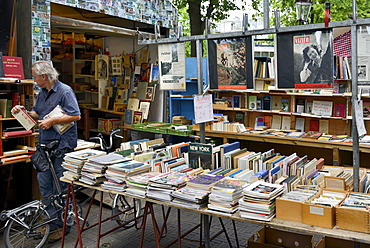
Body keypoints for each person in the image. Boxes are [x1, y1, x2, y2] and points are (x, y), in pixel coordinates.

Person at [11, 61, 81, 242]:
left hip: (61, 146)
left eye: (35, 76)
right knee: (45, 185)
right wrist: (23, 111)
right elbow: (37, 113)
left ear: (44, 76)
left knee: (61, 187)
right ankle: (52, 222)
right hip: (45, 146)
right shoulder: (42, 93)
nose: (33, 80)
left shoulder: (64, 91)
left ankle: (63, 226)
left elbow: (75, 115)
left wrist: (52, 121)